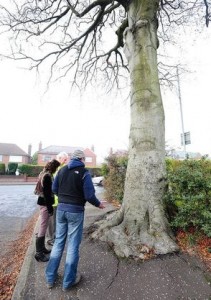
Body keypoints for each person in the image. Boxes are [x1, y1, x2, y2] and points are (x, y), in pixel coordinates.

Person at [45, 149, 105, 291]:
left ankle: (50, 278)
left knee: (59, 242)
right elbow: (89, 195)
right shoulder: (84, 173)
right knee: (72, 245)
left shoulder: (62, 170)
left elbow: (54, 189)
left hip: (61, 210)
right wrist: (99, 204)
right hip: (76, 212)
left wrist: (65, 197)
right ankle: (68, 282)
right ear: (82, 159)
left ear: (72, 159)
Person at [35, 159, 60, 262]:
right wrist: (50, 209)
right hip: (45, 204)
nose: (56, 170)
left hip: (42, 203)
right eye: (56, 168)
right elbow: (47, 194)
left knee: (43, 226)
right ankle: (38, 253)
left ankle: (42, 249)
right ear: (54, 168)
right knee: (43, 227)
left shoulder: (43, 173)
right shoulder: (47, 176)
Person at [46, 151, 69, 246]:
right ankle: (51, 239)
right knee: (52, 221)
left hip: (56, 200)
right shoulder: (55, 168)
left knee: (54, 220)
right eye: (64, 160)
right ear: (59, 158)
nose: (65, 161)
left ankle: (52, 237)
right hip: (53, 200)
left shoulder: (58, 167)